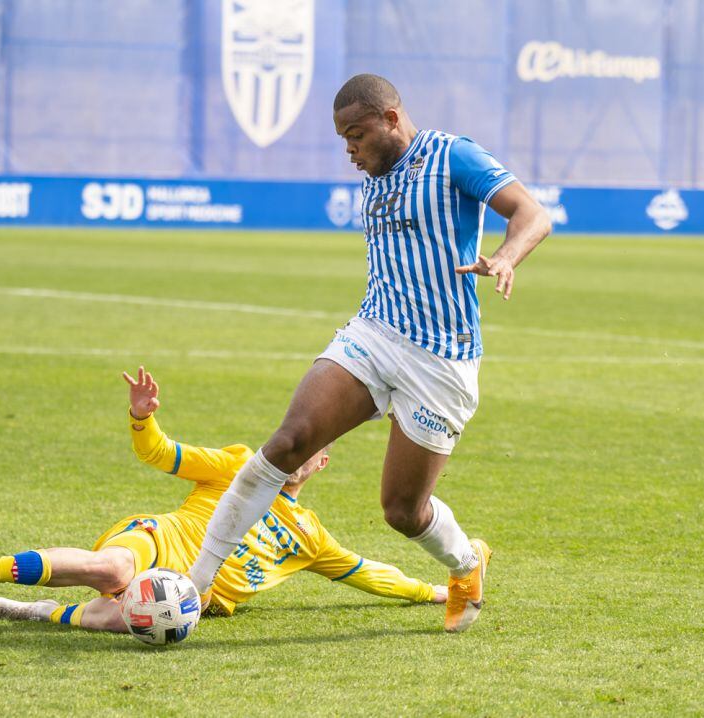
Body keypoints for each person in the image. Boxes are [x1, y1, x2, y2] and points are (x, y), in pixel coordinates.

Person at [186, 73, 552, 633]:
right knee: (287, 443)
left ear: (390, 119)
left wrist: (505, 256)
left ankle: (466, 563)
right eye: (342, 140)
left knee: (402, 512)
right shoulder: (375, 175)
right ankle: (195, 584)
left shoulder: (453, 157)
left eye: (355, 135)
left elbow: (532, 213)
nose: (349, 150)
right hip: (374, 333)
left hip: (441, 358)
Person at [0, 367, 447, 632]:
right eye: (299, 439)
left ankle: (36, 610)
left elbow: (368, 572)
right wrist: (143, 417)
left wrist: (432, 593)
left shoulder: (309, 537)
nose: (298, 450)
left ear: (321, 463)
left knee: (114, 617)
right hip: (157, 541)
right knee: (111, 568)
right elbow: (160, 453)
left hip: (194, 600)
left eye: (313, 447)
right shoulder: (241, 463)